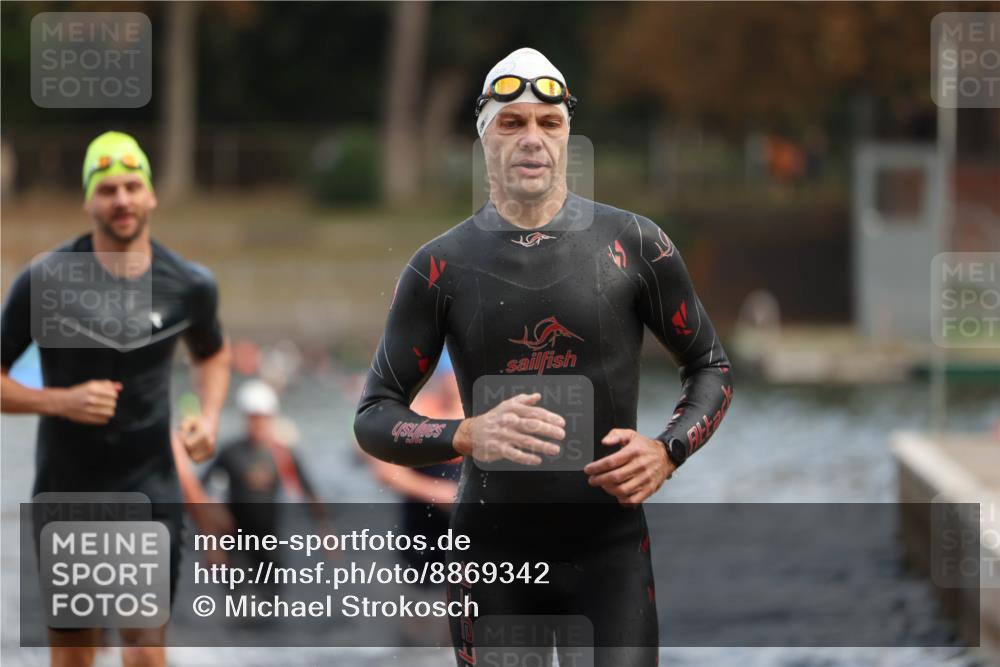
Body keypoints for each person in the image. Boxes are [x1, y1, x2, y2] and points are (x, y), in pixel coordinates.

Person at [354, 48, 734, 666]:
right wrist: (466, 434)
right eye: (512, 122)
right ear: (484, 138)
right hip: (491, 560)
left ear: (566, 137)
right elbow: (374, 416)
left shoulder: (636, 245)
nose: (532, 138)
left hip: (609, 555)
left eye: (548, 123)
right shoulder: (440, 267)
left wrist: (668, 450)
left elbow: (711, 367)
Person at [0, 131, 231, 667]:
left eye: (132, 185)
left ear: (151, 195)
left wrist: (210, 418)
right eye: (107, 189)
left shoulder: (189, 284)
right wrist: (58, 402)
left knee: (146, 647)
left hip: (148, 485)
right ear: (88, 200)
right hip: (68, 487)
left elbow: (212, 355)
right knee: (77, 655)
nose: (122, 200)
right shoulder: (45, 281)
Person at [200, 379, 325, 588]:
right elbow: (200, 489)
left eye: (263, 418)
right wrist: (212, 539)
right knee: (237, 600)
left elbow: (307, 489)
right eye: (253, 418)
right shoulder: (231, 452)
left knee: (272, 597)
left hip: (270, 540)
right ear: (245, 418)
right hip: (235, 540)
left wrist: (324, 528)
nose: (258, 424)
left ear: (272, 417)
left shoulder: (282, 453)